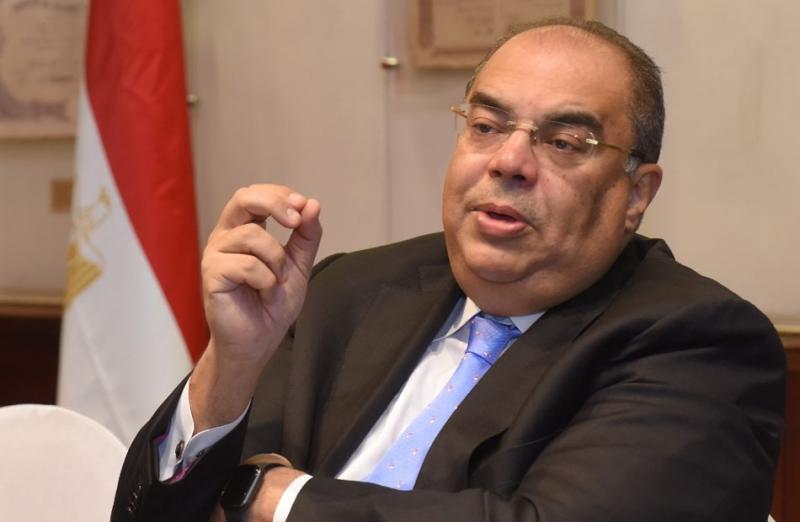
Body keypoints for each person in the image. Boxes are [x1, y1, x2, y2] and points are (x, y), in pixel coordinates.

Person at [112, 18, 785, 522]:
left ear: (636, 194)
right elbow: (148, 514)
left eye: (563, 142)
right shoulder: (345, 291)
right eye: (486, 126)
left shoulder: (699, 343)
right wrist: (230, 367)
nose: (509, 162)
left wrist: (280, 500)